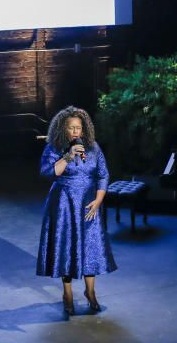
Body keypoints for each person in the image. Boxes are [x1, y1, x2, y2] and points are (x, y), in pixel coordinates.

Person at [36, 106, 117, 315]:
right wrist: (68, 156)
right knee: (66, 248)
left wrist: (98, 200)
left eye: (78, 128)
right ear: (63, 129)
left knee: (91, 249)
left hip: (89, 204)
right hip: (64, 205)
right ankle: (67, 294)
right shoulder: (55, 147)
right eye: (71, 128)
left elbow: (103, 175)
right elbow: (48, 172)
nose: (75, 132)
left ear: (84, 129)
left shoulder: (93, 147)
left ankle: (90, 292)